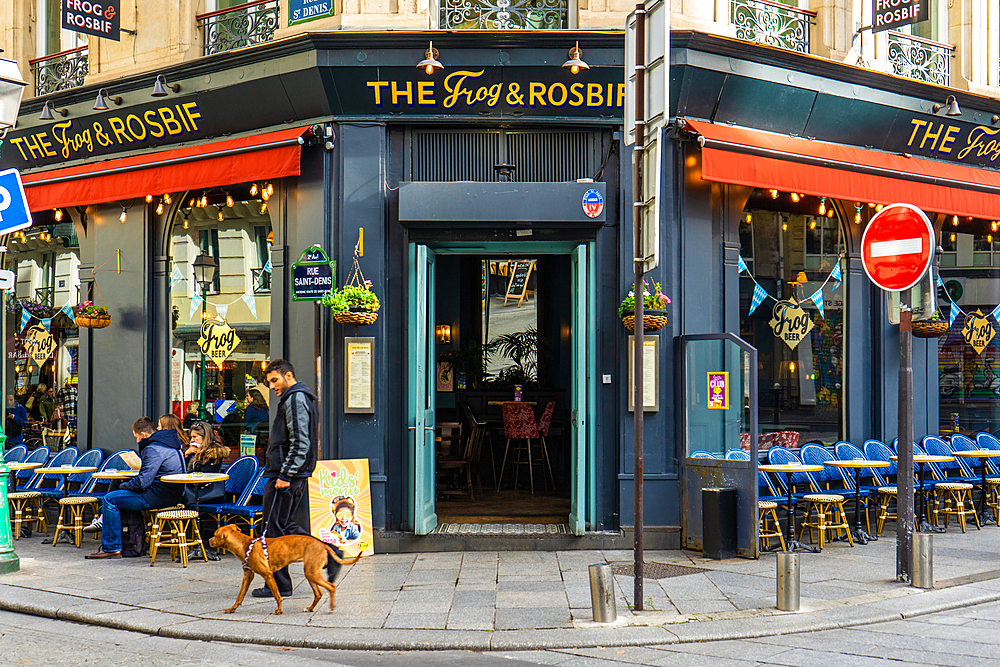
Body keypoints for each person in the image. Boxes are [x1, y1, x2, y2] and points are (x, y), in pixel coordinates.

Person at [251, 358, 320, 599]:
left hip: (286, 475)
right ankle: (330, 553)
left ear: (288, 376)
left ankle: (280, 586)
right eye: (269, 382)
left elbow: (301, 441)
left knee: (272, 529)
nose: (271, 386)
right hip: (290, 474)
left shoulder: (295, 398)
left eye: (274, 380)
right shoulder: (299, 397)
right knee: (285, 525)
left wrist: (285, 474)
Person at [85, 416, 186, 559]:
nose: (137, 441)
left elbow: (143, 482)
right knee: (117, 491)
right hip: (173, 494)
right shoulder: (171, 445)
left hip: (158, 497)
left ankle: (112, 547)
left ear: (143, 435)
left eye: (137, 437)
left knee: (109, 499)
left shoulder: (153, 448)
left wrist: (124, 485)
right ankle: (109, 528)